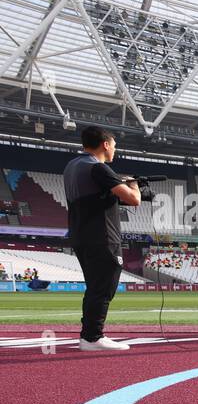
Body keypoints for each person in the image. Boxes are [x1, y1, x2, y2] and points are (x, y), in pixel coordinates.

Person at [63, 126, 141, 351]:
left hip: (80, 234)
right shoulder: (99, 168)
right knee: (104, 287)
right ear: (105, 144)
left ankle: (88, 334)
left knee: (95, 287)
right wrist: (133, 183)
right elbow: (134, 199)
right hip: (102, 236)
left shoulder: (73, 166)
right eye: (114, 145)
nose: (115, 149)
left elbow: (95, 195)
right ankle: (92, 337)